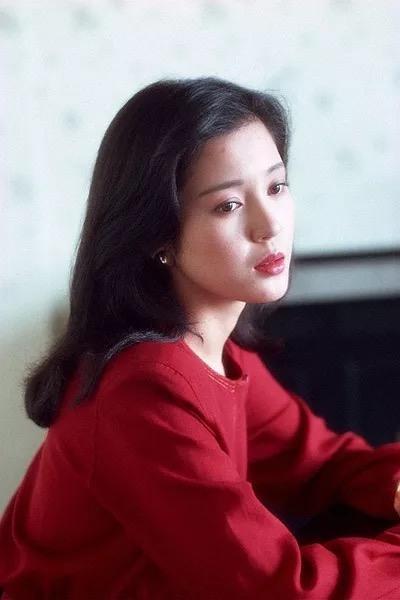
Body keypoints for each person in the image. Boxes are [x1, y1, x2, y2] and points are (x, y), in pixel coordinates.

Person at [0, 76, 399, 600]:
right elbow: (278, 589)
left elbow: (319, 464)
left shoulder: (215, 352)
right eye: (228, 205)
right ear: (157, 233)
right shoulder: (143, 390)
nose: (269, 225)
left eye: (276, 187)